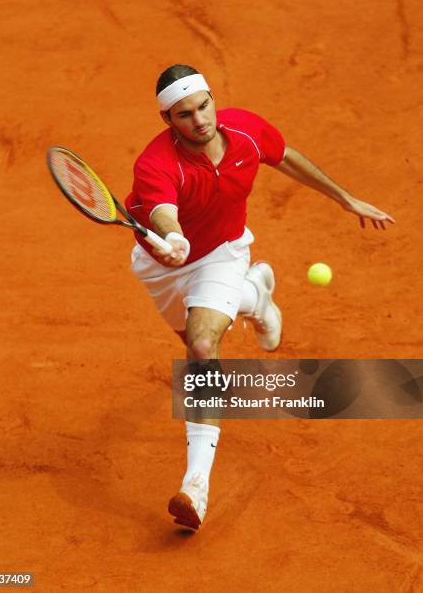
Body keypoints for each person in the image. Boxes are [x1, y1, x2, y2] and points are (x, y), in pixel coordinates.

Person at [125, 64, 395, 531]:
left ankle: (195, 486)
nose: (200, 120)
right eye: (185, 114)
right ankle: (255, 294)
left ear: (213, 99)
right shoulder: (155, 164)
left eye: (204, 106)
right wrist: (174, 239)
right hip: (163, 266)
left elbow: (285, 155)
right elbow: (164, 212)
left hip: (223, 254)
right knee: (192, 339)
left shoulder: (244, 131)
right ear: (169, 121)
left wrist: (345, 198)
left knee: (203, 347)